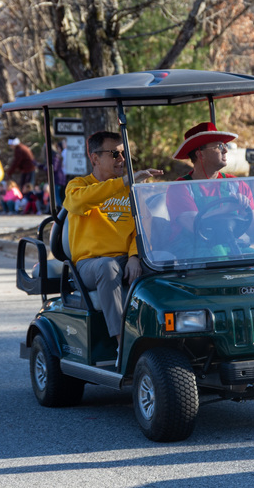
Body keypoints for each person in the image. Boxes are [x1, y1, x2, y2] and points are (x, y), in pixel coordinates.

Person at [64, 131, 163, 353]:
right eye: (115, 154)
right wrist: (125, 181)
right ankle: (123, 344)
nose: (122, 159)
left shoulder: (131, 191)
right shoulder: (77, 187)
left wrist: (134, 256)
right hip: (91, 265)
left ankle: (171, 336)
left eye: (124, 153)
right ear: (95, 158)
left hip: (125, 259)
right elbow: (84, 200)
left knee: (165, 265)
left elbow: (142, 226)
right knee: (107, 267)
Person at [168, 122, 254, 249]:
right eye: (219, 146)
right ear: (200, 154)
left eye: (225, 146)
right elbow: (194, 226)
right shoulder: (180, 188)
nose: (225, 151)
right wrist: (228, 209)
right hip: (192, 254)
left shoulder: (236, 184)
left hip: (230, 249)